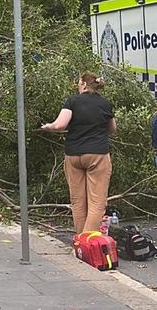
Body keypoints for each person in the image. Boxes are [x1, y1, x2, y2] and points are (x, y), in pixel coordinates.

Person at [41, 72, 116, 234]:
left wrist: (48, 127)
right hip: (97, 155)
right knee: (96, 203)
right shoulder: (105, 104)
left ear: (83, 84)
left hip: (74, 155)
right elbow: (112, 129)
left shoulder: (72, 101)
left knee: (78, 202)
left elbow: (60, 125)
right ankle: (87, 244)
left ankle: (79, 245)